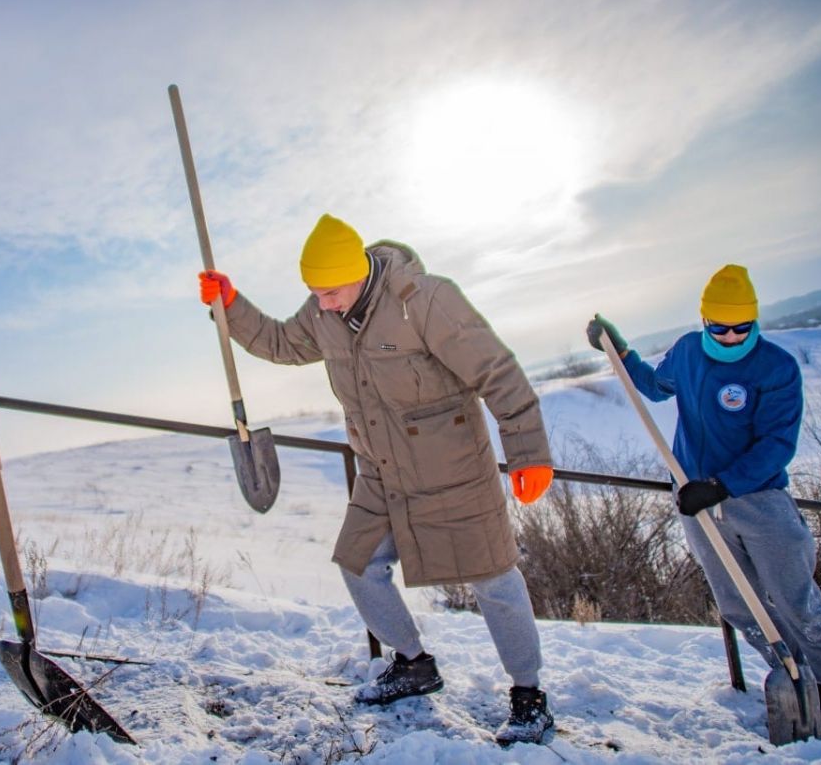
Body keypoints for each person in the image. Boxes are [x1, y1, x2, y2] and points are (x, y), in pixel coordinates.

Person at [199, 214, 557, 745]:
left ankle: (529, 697)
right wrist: (231, 306)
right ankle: (413, 663)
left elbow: (496, 371)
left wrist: (528, 452)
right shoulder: (324, 311)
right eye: (314, 293)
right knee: (359, 562)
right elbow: (280, 343)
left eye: (330, 291)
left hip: (451, 467)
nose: (322, 303)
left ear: (361, 273)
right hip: (381, 470)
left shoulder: (425, 300)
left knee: (492, 578)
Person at [586, 264, 821, 749]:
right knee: (739, 607)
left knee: (798, 604)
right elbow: (657, 387)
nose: (729, 336)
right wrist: (621, 351)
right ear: (704, 321)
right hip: (699, 505)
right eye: (718, 327)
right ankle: (801, 683)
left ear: (754, 320)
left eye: (740, 327)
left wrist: (723, 484)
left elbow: (777, 444)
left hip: (759, 500)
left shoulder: (775, 367)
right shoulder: (687, 352)